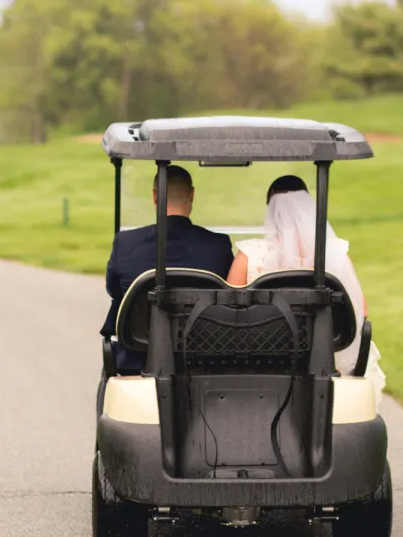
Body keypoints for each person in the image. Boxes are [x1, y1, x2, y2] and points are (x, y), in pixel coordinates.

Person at [226, 175, 386, 407]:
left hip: (266, 358)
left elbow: (228, 312)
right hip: (325, 356)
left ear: (270, 211)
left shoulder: (250, 256)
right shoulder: (335, 254)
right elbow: (363, 310)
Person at [100, 165, 235, 372]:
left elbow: (114, 290)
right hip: (201, 358)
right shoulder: (218, 245)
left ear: (155, 197)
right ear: (192, 196)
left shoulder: (125, 243)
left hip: (138, 357)